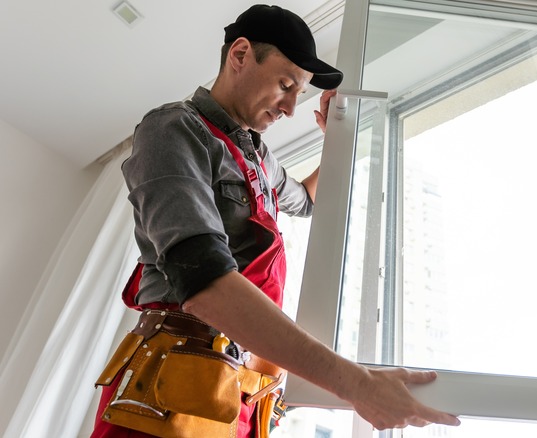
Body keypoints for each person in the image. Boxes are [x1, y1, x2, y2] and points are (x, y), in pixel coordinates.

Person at [91, 4, 460, 437]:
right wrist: (359, 384)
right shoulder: (173, 130)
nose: (289, 109)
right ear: (241, 54)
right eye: (286, 85)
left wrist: (337, 141)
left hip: (245, 390)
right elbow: (203, 281)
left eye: (299, 94)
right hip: (174, 383)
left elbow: (305, 201)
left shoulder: (260, 157)